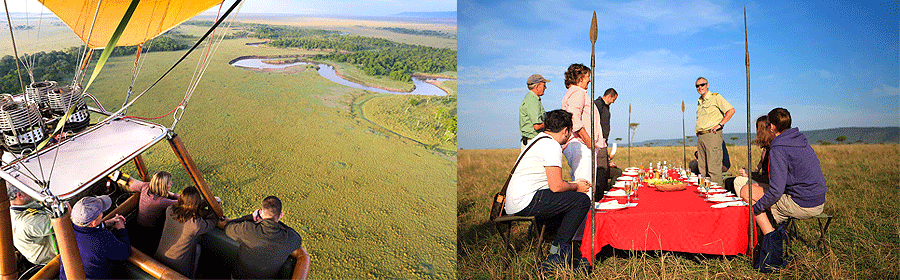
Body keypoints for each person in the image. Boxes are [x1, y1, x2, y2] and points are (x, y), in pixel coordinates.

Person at [505, 109, 592, 272]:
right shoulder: (552, 145)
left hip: (518, 200)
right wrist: (577, 186)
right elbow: (556, 186)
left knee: (569, 201)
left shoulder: (538, 140)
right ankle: (556, 256)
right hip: (526, 201)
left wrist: (571, 186)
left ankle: (563, 249)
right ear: (565, 130)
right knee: (581, 201)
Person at [750, 108, 827, 272]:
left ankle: (772, 254)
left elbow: (776, 191)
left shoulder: (778, 147)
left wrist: (755, 209)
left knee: (747, 194)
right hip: (818, 200)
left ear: (771, 127)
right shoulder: (800, 140)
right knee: (753, 190)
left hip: (802, 203)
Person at [225, 196, 302, 279]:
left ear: (261, 212)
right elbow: (298, 238)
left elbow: (228, 227)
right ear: (281, 215)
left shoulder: (247, 229)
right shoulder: (289, 238)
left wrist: (251, 217)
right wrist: (276, 223)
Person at [60, 195, 130, 280]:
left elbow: (86, 231)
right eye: (101, 213)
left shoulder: (66, 229)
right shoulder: (102, 238)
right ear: (93, 223)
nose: (102, 214)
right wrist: (121, 229)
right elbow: (125, 253)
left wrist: (106, 223)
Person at [155, 186, 220, 277]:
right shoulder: (195, 225)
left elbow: (187, 205)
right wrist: (215, 206)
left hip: (159, 258)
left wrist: (206, 202)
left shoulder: (170, 210)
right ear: (196, 203)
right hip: (178, 266)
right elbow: (212, 222)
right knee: (197, 249)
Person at [562, 64, 603, 196]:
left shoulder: (575, 93)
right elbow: (574, 118)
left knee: (583, 182)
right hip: (581, 144)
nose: (589, 80)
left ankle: (584, 213)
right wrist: (588, 140)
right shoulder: (578, 93)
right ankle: (585, 215)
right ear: (580, 78)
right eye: (587, 77)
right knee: (585, 185)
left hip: (580, 144)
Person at [123, 171, 178, 253]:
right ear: (163, 186)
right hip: (149, 231)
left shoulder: (146, 186)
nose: (172, 183)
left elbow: (132, 186)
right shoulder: (160, 201)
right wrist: (176, 196)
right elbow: (181, 203)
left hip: (137, 224)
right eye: (169, 183)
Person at [694, 77, 735, 185]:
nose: (700, 87)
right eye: (697, 86)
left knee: (713, 169)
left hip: (712, 135)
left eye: (702, 85)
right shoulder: (699, 101)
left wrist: (720, 124)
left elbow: (731, 110)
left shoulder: (715, 97)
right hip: (701, 136)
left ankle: (718, 196)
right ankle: (705, 194)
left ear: (707, 85)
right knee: (702, 168)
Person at [7, 184, 56, 265]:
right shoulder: (27, 222)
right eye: (29, 188)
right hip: (53, 259)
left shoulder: (16, 209)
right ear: (20, 195)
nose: (34, 189)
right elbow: (63, 224)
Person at [734, 115, 774, 202]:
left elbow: (769, 178)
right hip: (769, 183)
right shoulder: (768, 148)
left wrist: (750, 174)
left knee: (739, 181)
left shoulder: (772, 149)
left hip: (771, 187)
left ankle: (751, 211)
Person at [592, 88, 620, 198]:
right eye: (614, 99)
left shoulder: (605, 106)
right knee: (601, 172)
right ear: (609, 96)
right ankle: (600, 197)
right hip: (598, 142)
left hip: (603, 142)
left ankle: (603, 193)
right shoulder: (597, 105)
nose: (613, 102)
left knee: (604, 170)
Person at [519, 74, 549, 150]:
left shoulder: (530, 98)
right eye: (544, 85)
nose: (545, 87)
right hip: (533, 142)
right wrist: (551, 123)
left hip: (530, 142)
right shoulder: (533, 100)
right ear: (537, 86)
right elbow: (537, 126)